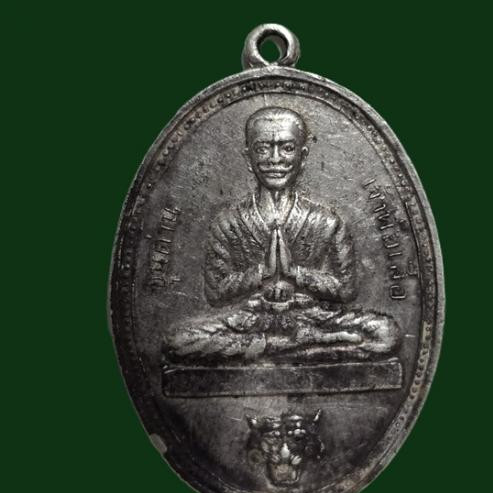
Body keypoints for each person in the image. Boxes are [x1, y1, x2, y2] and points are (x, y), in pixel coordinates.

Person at [164, 107, 399, 364]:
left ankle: (279, 346)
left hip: (311, 317)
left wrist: (296, 274)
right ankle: (306, 346)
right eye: (263, 148)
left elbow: (346, 290)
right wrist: (260, 273)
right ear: (248, 158)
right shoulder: (228, 223)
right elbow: (215, 293)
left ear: (303, 156)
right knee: (177, 340)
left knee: (386, 332)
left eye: (286, 148)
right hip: (249, 320)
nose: (275, 159)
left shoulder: (326, 221)